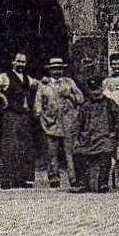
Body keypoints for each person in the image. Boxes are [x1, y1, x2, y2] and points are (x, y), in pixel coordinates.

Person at [0, 51, 38, 189]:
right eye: (19, 61)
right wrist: (0, 96)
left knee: (24, 147)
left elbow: (38, 85)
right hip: (11, 115)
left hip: (25, 116)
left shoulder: (27, 78)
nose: (21, 64)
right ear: (13, 62)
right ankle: (5, 179)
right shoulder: (5, 77)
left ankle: (21, 179)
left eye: (23, 62)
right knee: (10, 147)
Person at [34, 58, 84, 188]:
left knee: (70, 151)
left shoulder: (69, 82)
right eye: (54, 68)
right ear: (50, 70)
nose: (57, 71)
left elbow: (81, 99)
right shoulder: (44, 85)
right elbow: (38, 103)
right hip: (51, 122)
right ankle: (54, 176)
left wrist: (70, 96)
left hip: (68, 121)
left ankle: (73, 178)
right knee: (52, 151)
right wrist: (41, 116)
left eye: (59, 68)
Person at [72, 78, 119, 192]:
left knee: (106, 152)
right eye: (93, 90)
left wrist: (114, 131)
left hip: (105, 137)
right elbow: (77, 123)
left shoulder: (109, 103)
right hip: (88, 139)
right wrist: (77, 137)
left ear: (102, 89)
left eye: (97, 89)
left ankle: (103, 183)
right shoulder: (85, 105)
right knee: (77, 152)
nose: (96, 93)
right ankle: (81, 183)